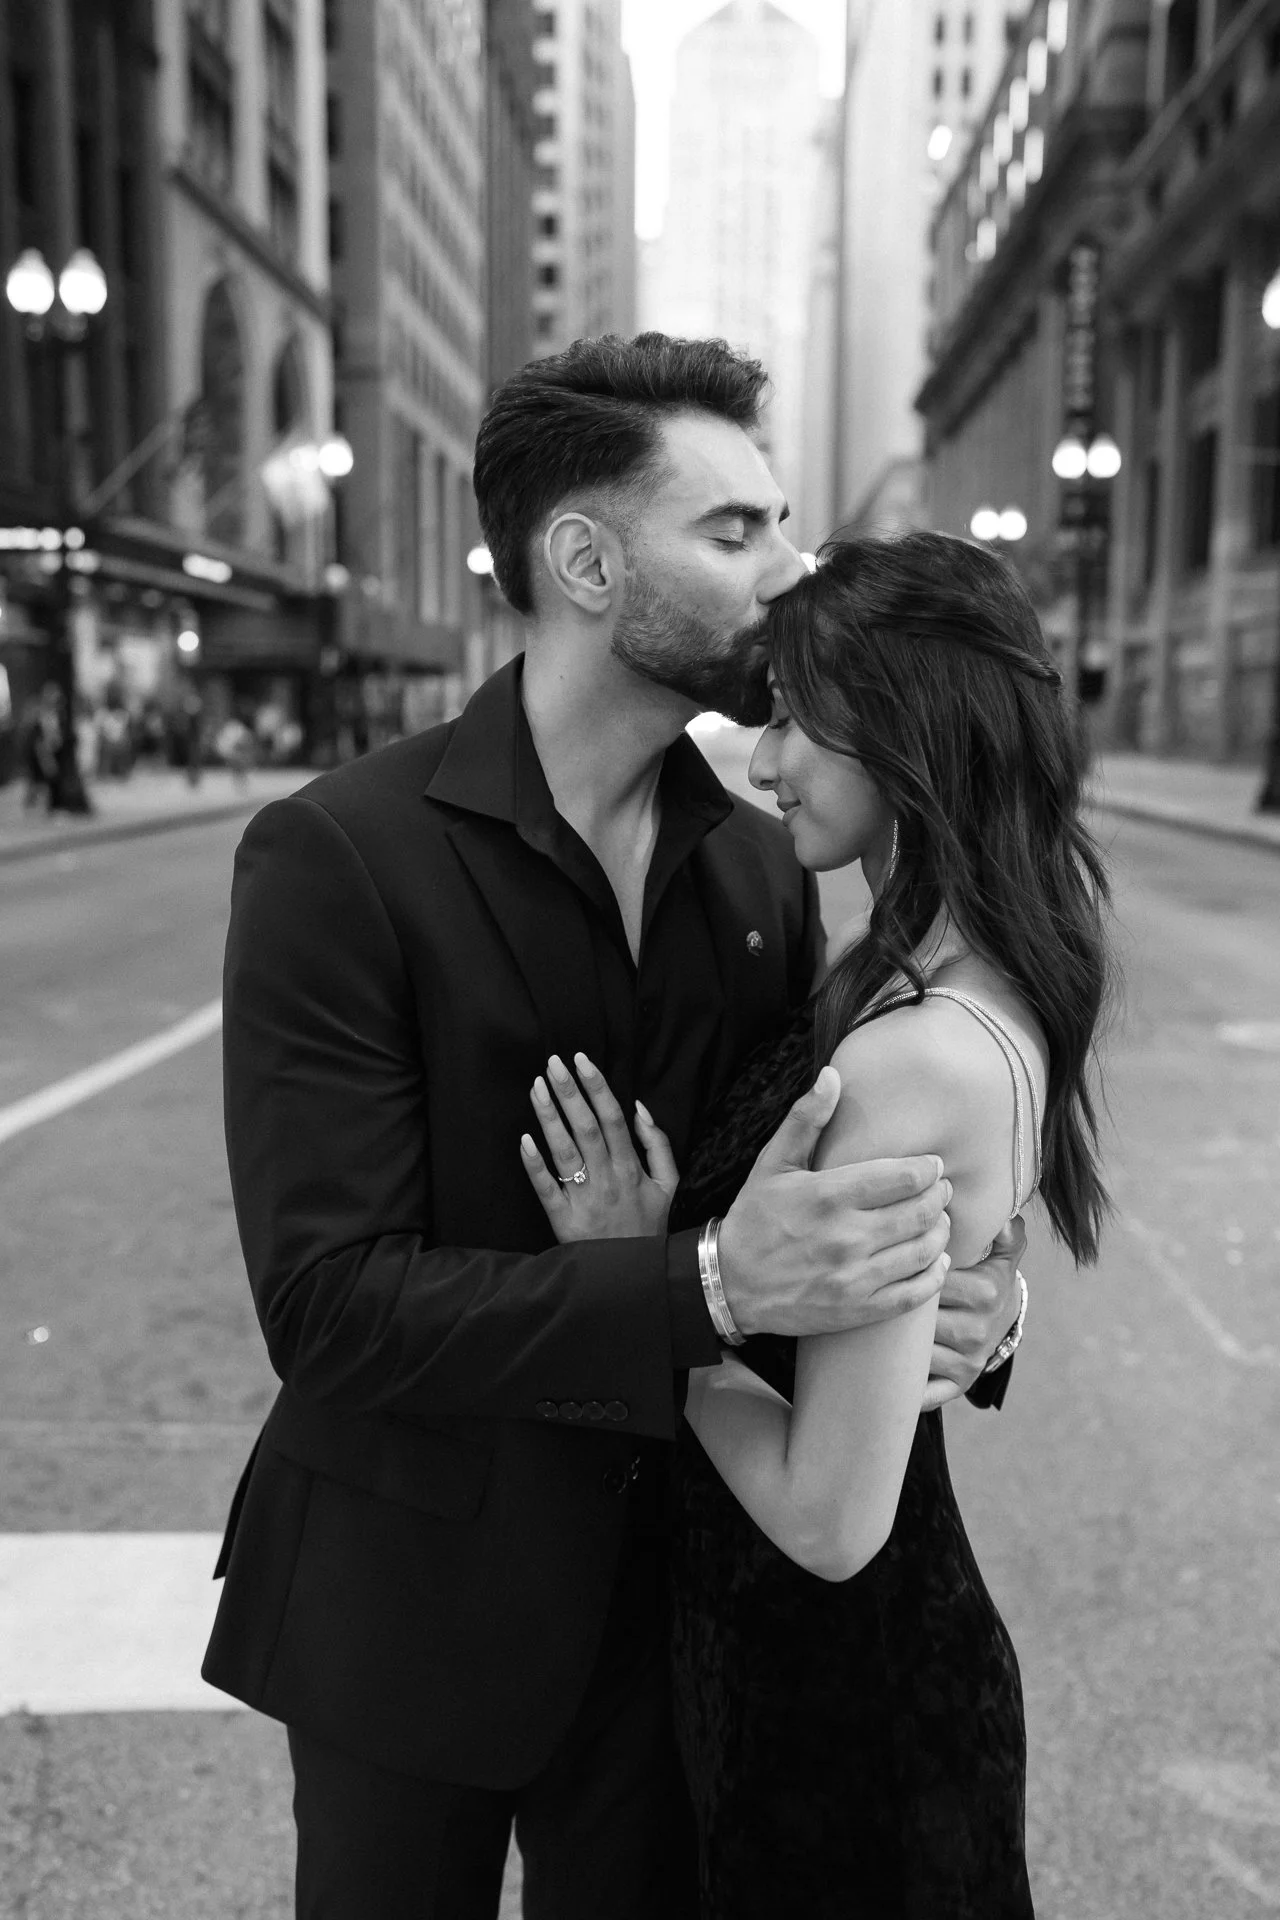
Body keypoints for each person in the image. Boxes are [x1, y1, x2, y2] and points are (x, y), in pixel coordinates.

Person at [202, 335, 1024, 1919]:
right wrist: (699, 1283)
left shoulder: (764, 864)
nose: (789, 573)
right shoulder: (338, 857)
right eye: (734, 532)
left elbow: (818, 1184)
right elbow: (329, 1307)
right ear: (586, 562)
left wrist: (973, 1295)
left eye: (783, 523)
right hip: (409, 1613)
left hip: (678, 1624)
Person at [522, 530, 1113, 1918]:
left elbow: (830, 1517)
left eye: (795, 718)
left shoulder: (919, 1049)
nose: (765, 759)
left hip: (843, 1718)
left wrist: (654, 1289)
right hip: (825, 1681)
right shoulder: (958, 969)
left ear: (910, 729)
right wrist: (991, 1309)